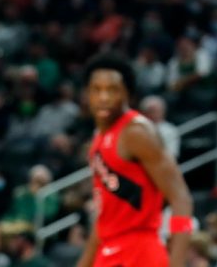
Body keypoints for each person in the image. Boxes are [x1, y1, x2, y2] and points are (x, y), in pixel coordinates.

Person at [76, 54, 193, 267]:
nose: (104, 97)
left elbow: (181, 197)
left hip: (139, 250)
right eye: (97, 90)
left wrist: (176, 262)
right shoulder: (98, 140)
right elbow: (104, 217)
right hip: (108, 250)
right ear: (86, 95)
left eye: (112, 90)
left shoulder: (137, 132)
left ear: (127, 94)